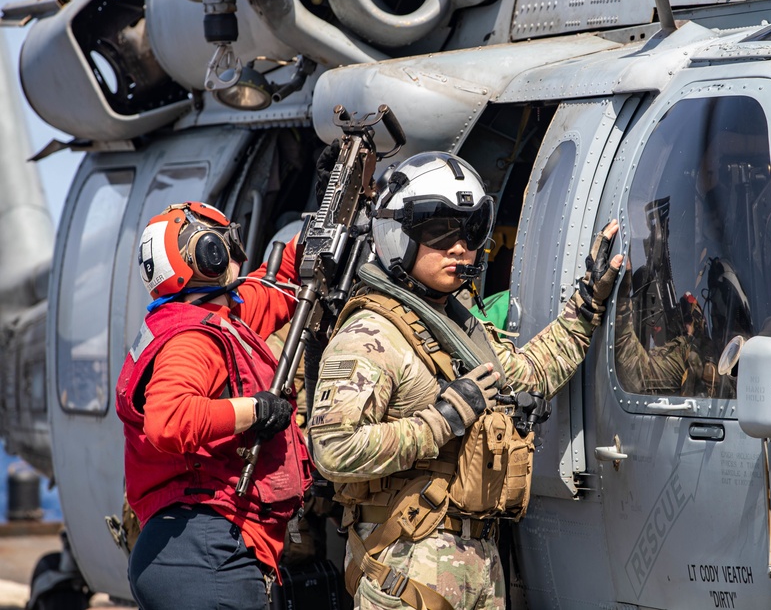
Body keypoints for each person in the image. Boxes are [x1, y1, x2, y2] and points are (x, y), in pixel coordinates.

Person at [308, 152, 622, 610]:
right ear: (398, 234)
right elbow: (332, 450)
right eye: (439, 231)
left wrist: (588, 303)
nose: (459, 247)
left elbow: (531, 373)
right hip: (408, 569)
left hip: (477, 565)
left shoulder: (458, 328)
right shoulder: (372, 334)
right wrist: (442, 419)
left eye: (470, 231)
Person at [115, 201, 312, 610]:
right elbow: (168, 420)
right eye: (228, 240)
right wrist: (256, 410)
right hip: (202, 551)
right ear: (210, 253)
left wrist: (314, 233)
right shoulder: (192, 339)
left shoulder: (214, 320)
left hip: (191, 548)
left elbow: (273, 288)